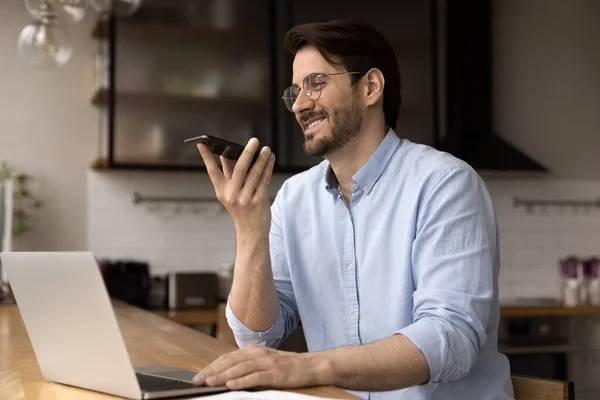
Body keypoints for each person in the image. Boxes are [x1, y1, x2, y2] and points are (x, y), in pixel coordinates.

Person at [193, 19, 514, 400]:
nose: (298, 105)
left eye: (316, 83)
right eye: (294, 91)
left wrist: (308, 366)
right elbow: (258, 335)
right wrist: (248, 228)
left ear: (371, 87)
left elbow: (450, 337)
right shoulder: (295, 198)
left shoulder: (444, 183)